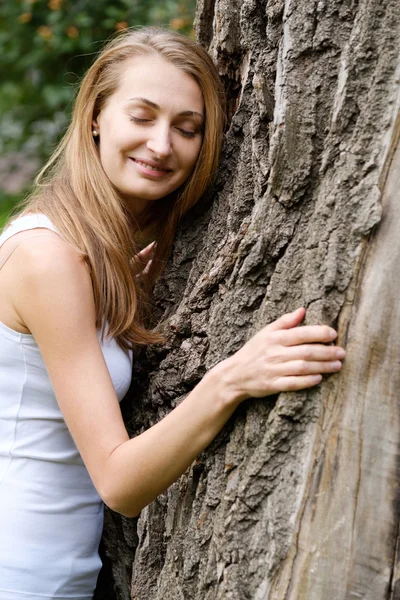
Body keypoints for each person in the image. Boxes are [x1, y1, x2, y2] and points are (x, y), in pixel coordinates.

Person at [0, 27, 345, 600]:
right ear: (96, 116)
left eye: (188, 129)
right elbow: (118, 482)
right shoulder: (48, 259)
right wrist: (233, 378)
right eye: (142, 116)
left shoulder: (94, 254)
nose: (162, 145)